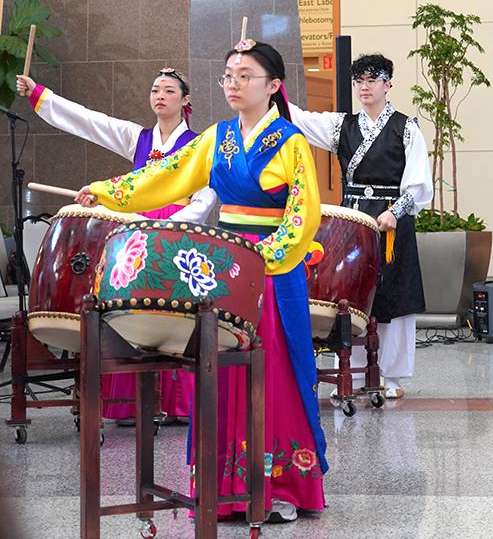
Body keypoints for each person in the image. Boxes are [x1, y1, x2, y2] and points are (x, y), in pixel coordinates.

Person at [76, 40, 327, 523]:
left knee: (273, 371)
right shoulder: (217, 137)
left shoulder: (291, 141)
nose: (233, 83)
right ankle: (223, 487)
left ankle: (279, 487)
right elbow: (164, 176)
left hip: (272, 272)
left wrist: (263, 258)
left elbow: (303, 214)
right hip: (228, 266)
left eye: (245, 75)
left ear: (273, 85)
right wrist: (106, 191)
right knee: (221, 371)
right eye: (228, 75)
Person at [16, 70, 216, 424]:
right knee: (128, 314)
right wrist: (39, 95)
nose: (160, 95)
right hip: (136, 235)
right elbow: (90, 122)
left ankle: (178, 404)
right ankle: (130, 404)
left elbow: (206, 198)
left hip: (177, 237)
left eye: (169, 90)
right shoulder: (138, 138)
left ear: (186, 100)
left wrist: (169, 226)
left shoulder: (199, 146)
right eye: (155, 89)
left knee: (173, 317)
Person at [289, 53, 432, 400]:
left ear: (388, 84)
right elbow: (300, 119)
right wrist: (269, 88)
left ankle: (392, 376)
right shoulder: (343, 125)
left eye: (372, 80)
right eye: (359, 81)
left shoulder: (406, 127)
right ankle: (350, 373)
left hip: (391, 221)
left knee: (393, 295)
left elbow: (419, 182)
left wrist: (396, 211)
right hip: (353, 220)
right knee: (351, 294)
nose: (364, 87)